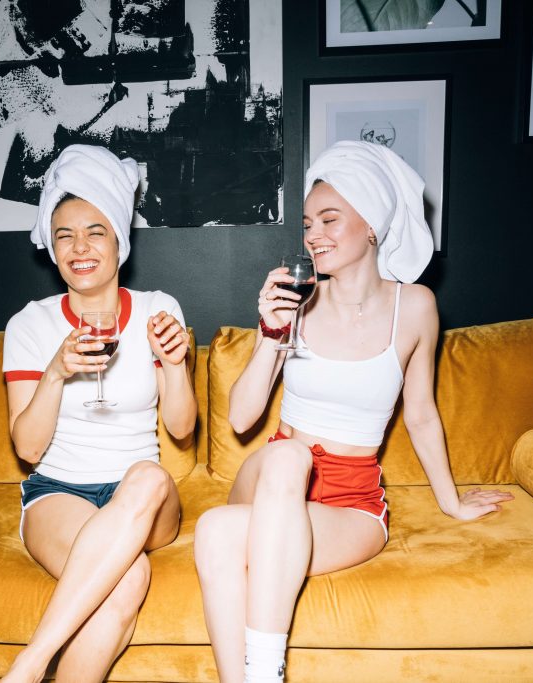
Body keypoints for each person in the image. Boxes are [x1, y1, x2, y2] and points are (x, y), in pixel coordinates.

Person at [193, 140, 514, 683]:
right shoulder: (295, 298)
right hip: (273, 473)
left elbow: (421, 415)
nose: (313, 234)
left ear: (371, 226)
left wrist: (453, 502)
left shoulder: (415, 308)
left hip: (352, 499)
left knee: (216, 531)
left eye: (329, 219)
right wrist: (271, 333)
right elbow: (243, 419)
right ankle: (267, 672)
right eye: (307, 222)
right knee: (288, 456)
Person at [1, 144, 196, 683]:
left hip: (144, 496)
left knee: (149, 474)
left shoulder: (160, 308)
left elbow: (181, 429)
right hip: (59, 491)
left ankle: (29, 661)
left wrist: (175, 364)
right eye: (65, 235)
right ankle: (38, 668)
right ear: (52, 247)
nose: (80, 247)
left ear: (119, 242)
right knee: (127, 579)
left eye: (95, 232)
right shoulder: (30, 325)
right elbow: (28, 449)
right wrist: (56, 373)